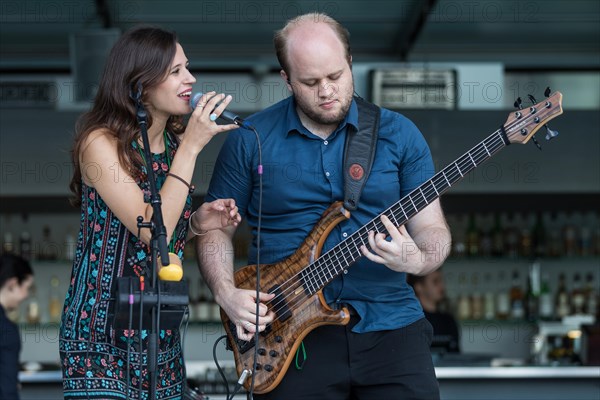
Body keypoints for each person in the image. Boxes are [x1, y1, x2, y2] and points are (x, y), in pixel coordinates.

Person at [197, 12, 452, 400]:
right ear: (286, 79)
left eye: (335, 77)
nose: (327, 91)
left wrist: (417, 259)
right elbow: (215, 227)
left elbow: (434, 232)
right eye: (311, 82)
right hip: (289, 333)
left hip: (391, 326)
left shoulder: (400, 134)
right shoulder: (250, 140)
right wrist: (225, 291)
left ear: (350, 63)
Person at [59, 26, 241, 399]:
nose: (190, 79)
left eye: (187, 68)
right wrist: (192, 146)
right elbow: (147, 225)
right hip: (100, 336)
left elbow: (165, 233)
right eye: (175, 71)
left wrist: (196, 224)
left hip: (159, 332)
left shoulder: (174, 147)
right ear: (140, 84)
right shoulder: (100, 143)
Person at [0, 253, 34, 400]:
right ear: (12, 284)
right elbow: (7, 393)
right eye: (26, 287)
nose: (26, 295)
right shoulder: (7, 330)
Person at [408, 269, 461, 353]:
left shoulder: (448, 320)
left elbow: (455, 356)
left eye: (441, 281)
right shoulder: (411, 321)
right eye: (435, 282)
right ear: (419, 287)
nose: (442, 286)